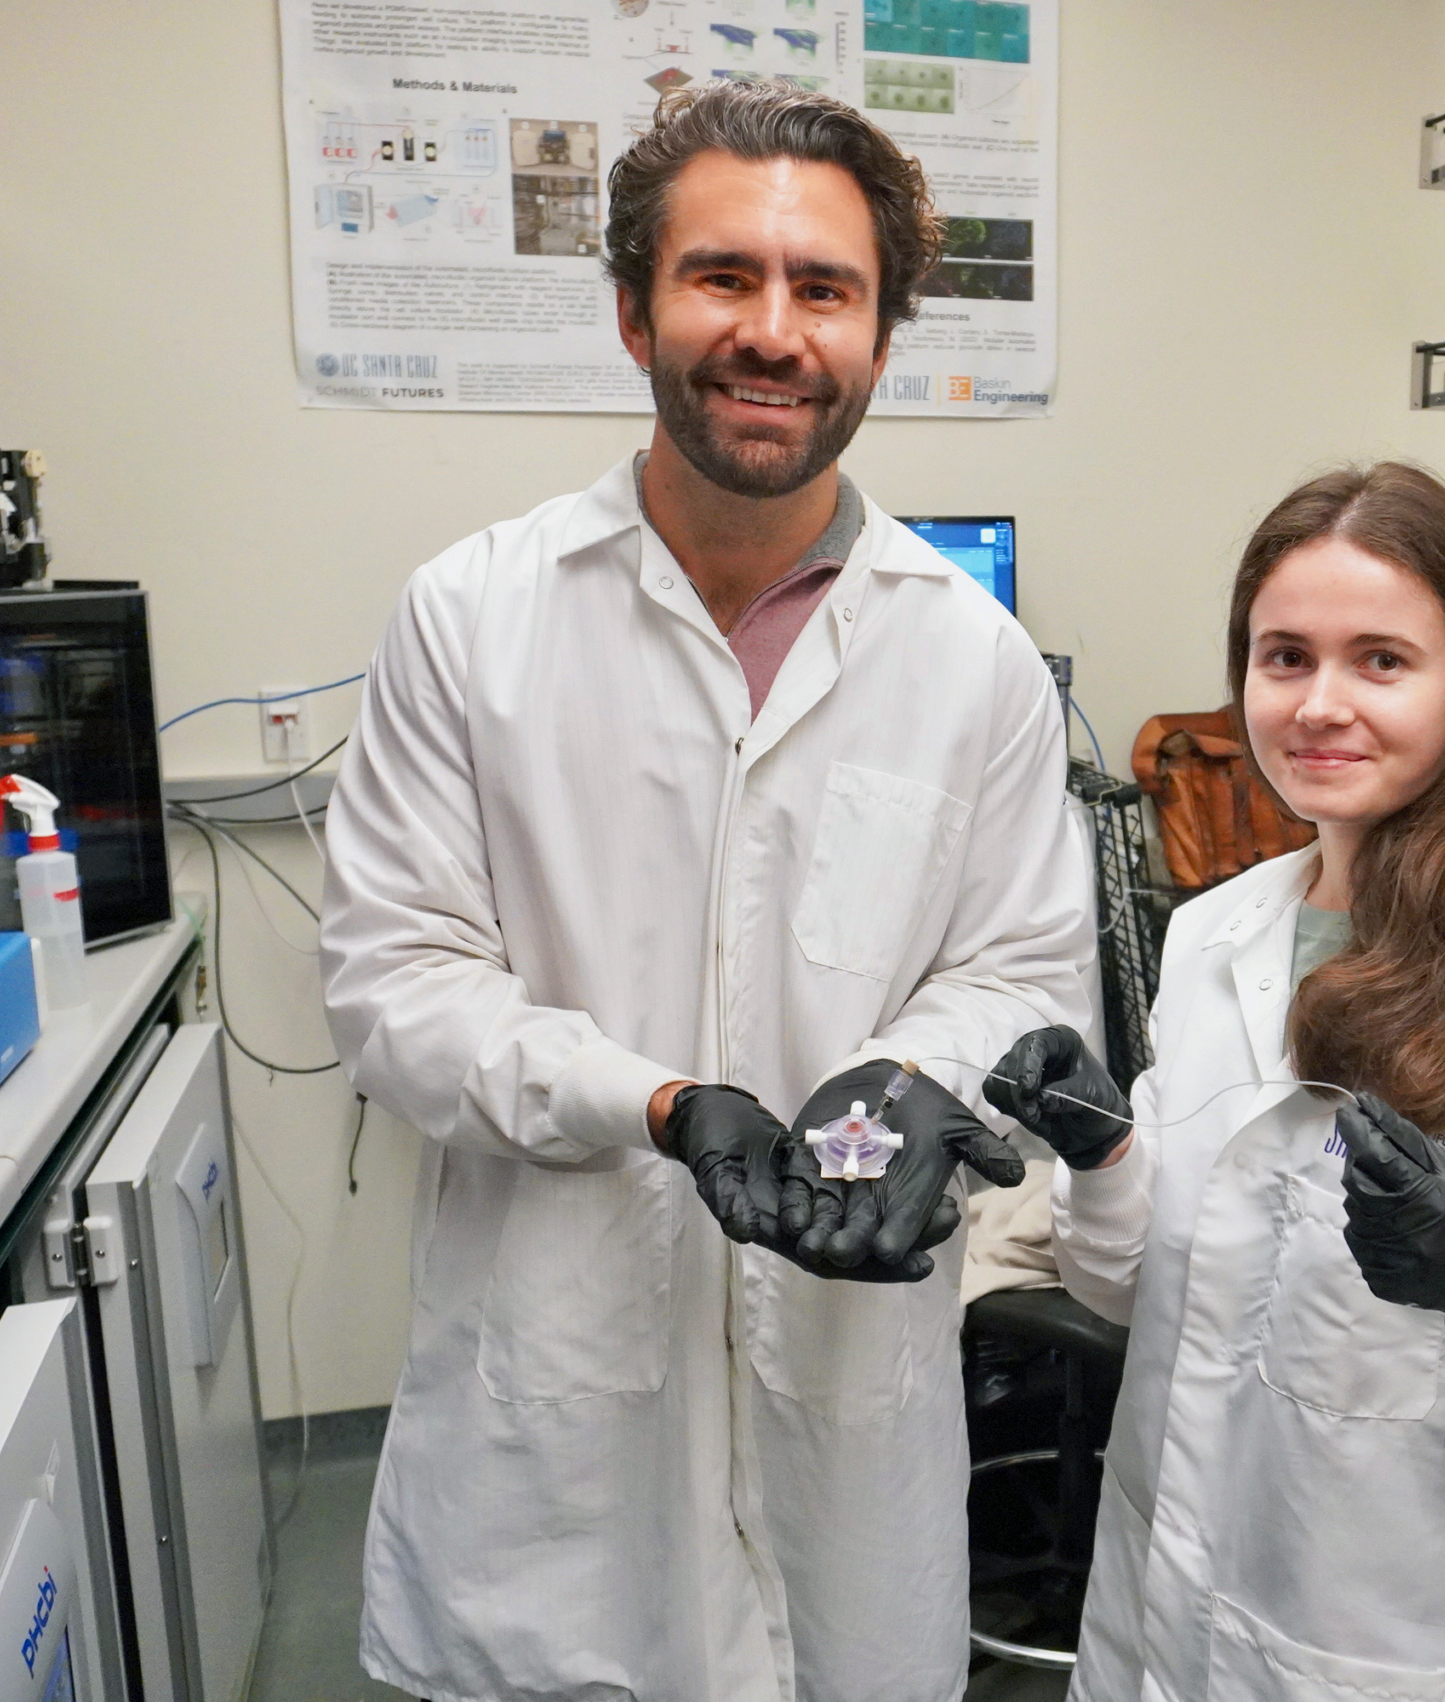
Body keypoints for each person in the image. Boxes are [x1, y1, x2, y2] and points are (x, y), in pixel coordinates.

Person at [317, 81, 1092, 1702]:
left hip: (849, 1396)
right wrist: (655, 1102)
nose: (775, 330)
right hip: (557, 1417)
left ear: (881, 340)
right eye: (723, 277)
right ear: (631, 312)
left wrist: (908, 1089)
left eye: (826, 290)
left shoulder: (976, 663)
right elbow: (397, 993)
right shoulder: (473, 622)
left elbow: (1023, 973)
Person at [985, 463, 1445, 1702]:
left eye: (1380, 660)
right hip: (1160, 1618)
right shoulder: (1214, 933)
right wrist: (1104, 1154)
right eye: (1284, 657)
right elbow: (1127, 1298)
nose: (1319, 704)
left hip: (1393, 1647)